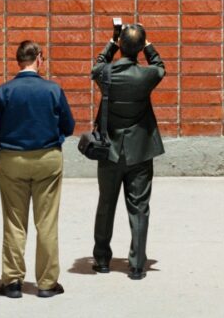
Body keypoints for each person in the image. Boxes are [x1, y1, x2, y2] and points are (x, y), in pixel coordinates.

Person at [0, 40, 75, 299]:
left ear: (18, 61)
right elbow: (68, 125)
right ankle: (46, 283)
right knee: (46, 222)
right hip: (47, 158)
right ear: (39, 59)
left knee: (14, 222)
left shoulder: (4, 91)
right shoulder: (53, 90)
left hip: (12, 159)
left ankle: (12, 282)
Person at [91, 23, 166, 280]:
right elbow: (160, 67)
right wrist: (148, 46)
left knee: (106, 204)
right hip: (140, 151)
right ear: (140, 47)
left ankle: (101, 259)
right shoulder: (146, 76)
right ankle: (136, 265)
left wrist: (112, 42)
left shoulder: (106, 74)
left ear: (121, 46)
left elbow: (98, 62)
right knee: (139, 207)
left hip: (110, 150)